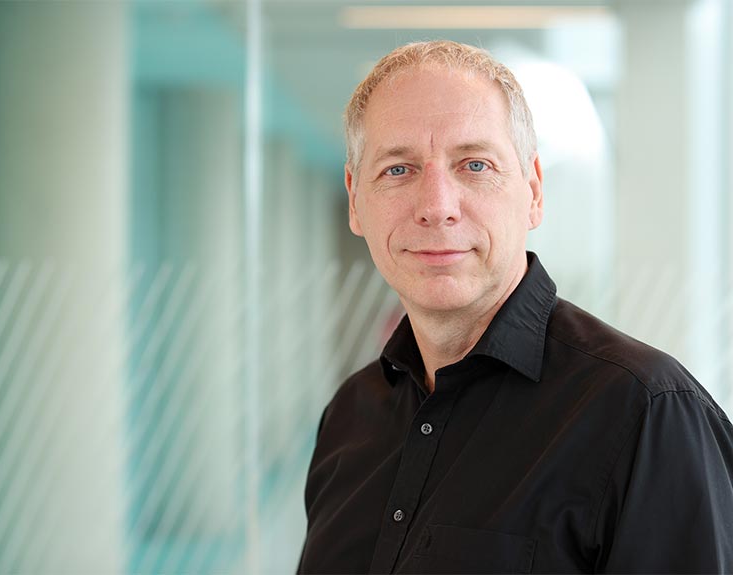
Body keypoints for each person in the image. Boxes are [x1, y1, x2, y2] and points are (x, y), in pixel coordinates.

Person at [297, 40, 733, 574]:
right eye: (398, 169)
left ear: (533, 190)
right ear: (354, 199)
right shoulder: (348, 417)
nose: (437, 207)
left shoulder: (646, 413)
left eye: (475, 165)